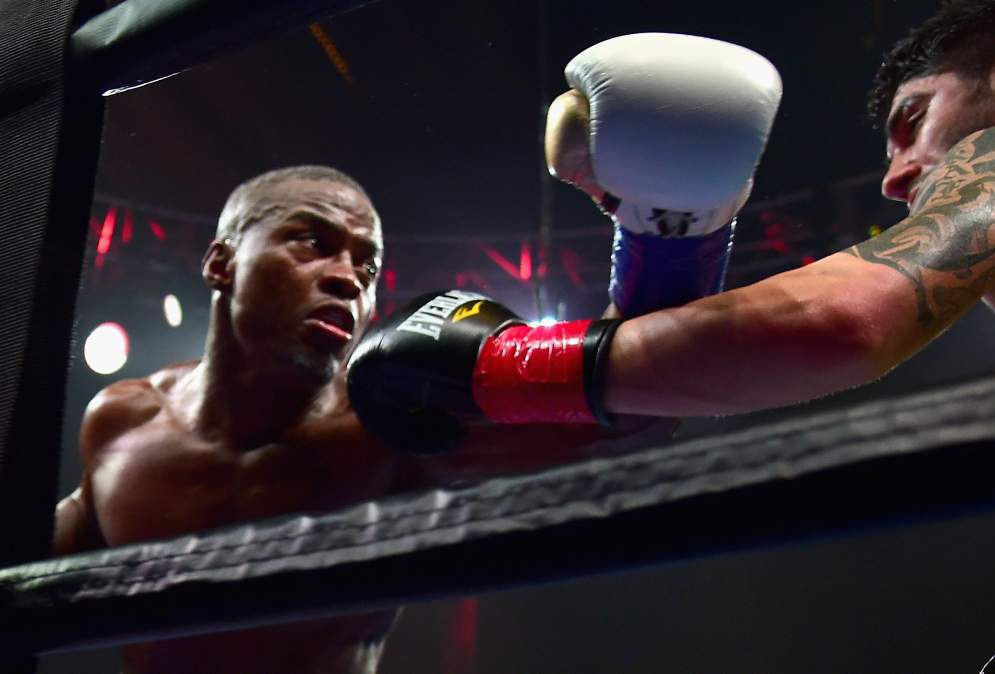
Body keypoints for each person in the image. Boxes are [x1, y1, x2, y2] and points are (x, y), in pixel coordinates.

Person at [351, 2, 995, 671]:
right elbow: (706, 368)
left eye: (913, 120)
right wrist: (666, 244)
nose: (895, 176)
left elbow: (841, 319)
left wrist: (501, 364)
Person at [50, 165, 649, 674]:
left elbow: (627, 409)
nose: (347, 279)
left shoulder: (386, 427)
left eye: (368, 268)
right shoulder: (121, 422)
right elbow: (29, 585)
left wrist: (652, 226)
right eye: (313, 242)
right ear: (220, 264)